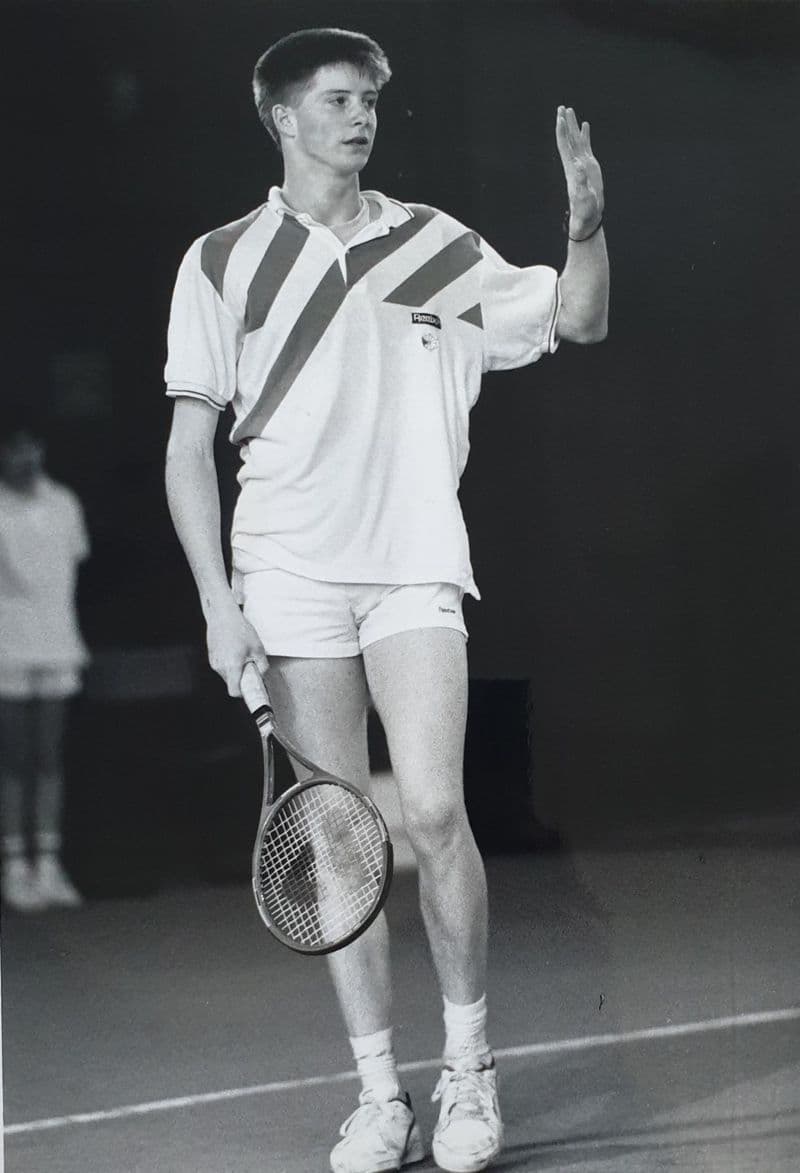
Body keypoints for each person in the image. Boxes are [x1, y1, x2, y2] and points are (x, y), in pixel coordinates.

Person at [164, 27, 608, 1173]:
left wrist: (583, 230)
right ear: (281, 117)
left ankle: (467, 1075)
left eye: (367, 99)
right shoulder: (221, 262)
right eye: (334, 99)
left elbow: (575, 319)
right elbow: (186, 450)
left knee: (431, 813)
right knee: (335, 839)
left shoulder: (434, 246)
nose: (358, 115)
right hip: (286, 573)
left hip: (412, 563)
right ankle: (378, 1096)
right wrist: (217, 602)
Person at [0, 411, 89, 912]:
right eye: (14, 447)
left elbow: (72, 564)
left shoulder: (64, 503)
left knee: (48, 758)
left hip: (56, 643)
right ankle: (15, 868)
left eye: (30, 446)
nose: (24, 456)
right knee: (14, 761)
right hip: (7, 647)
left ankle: (48, 866)